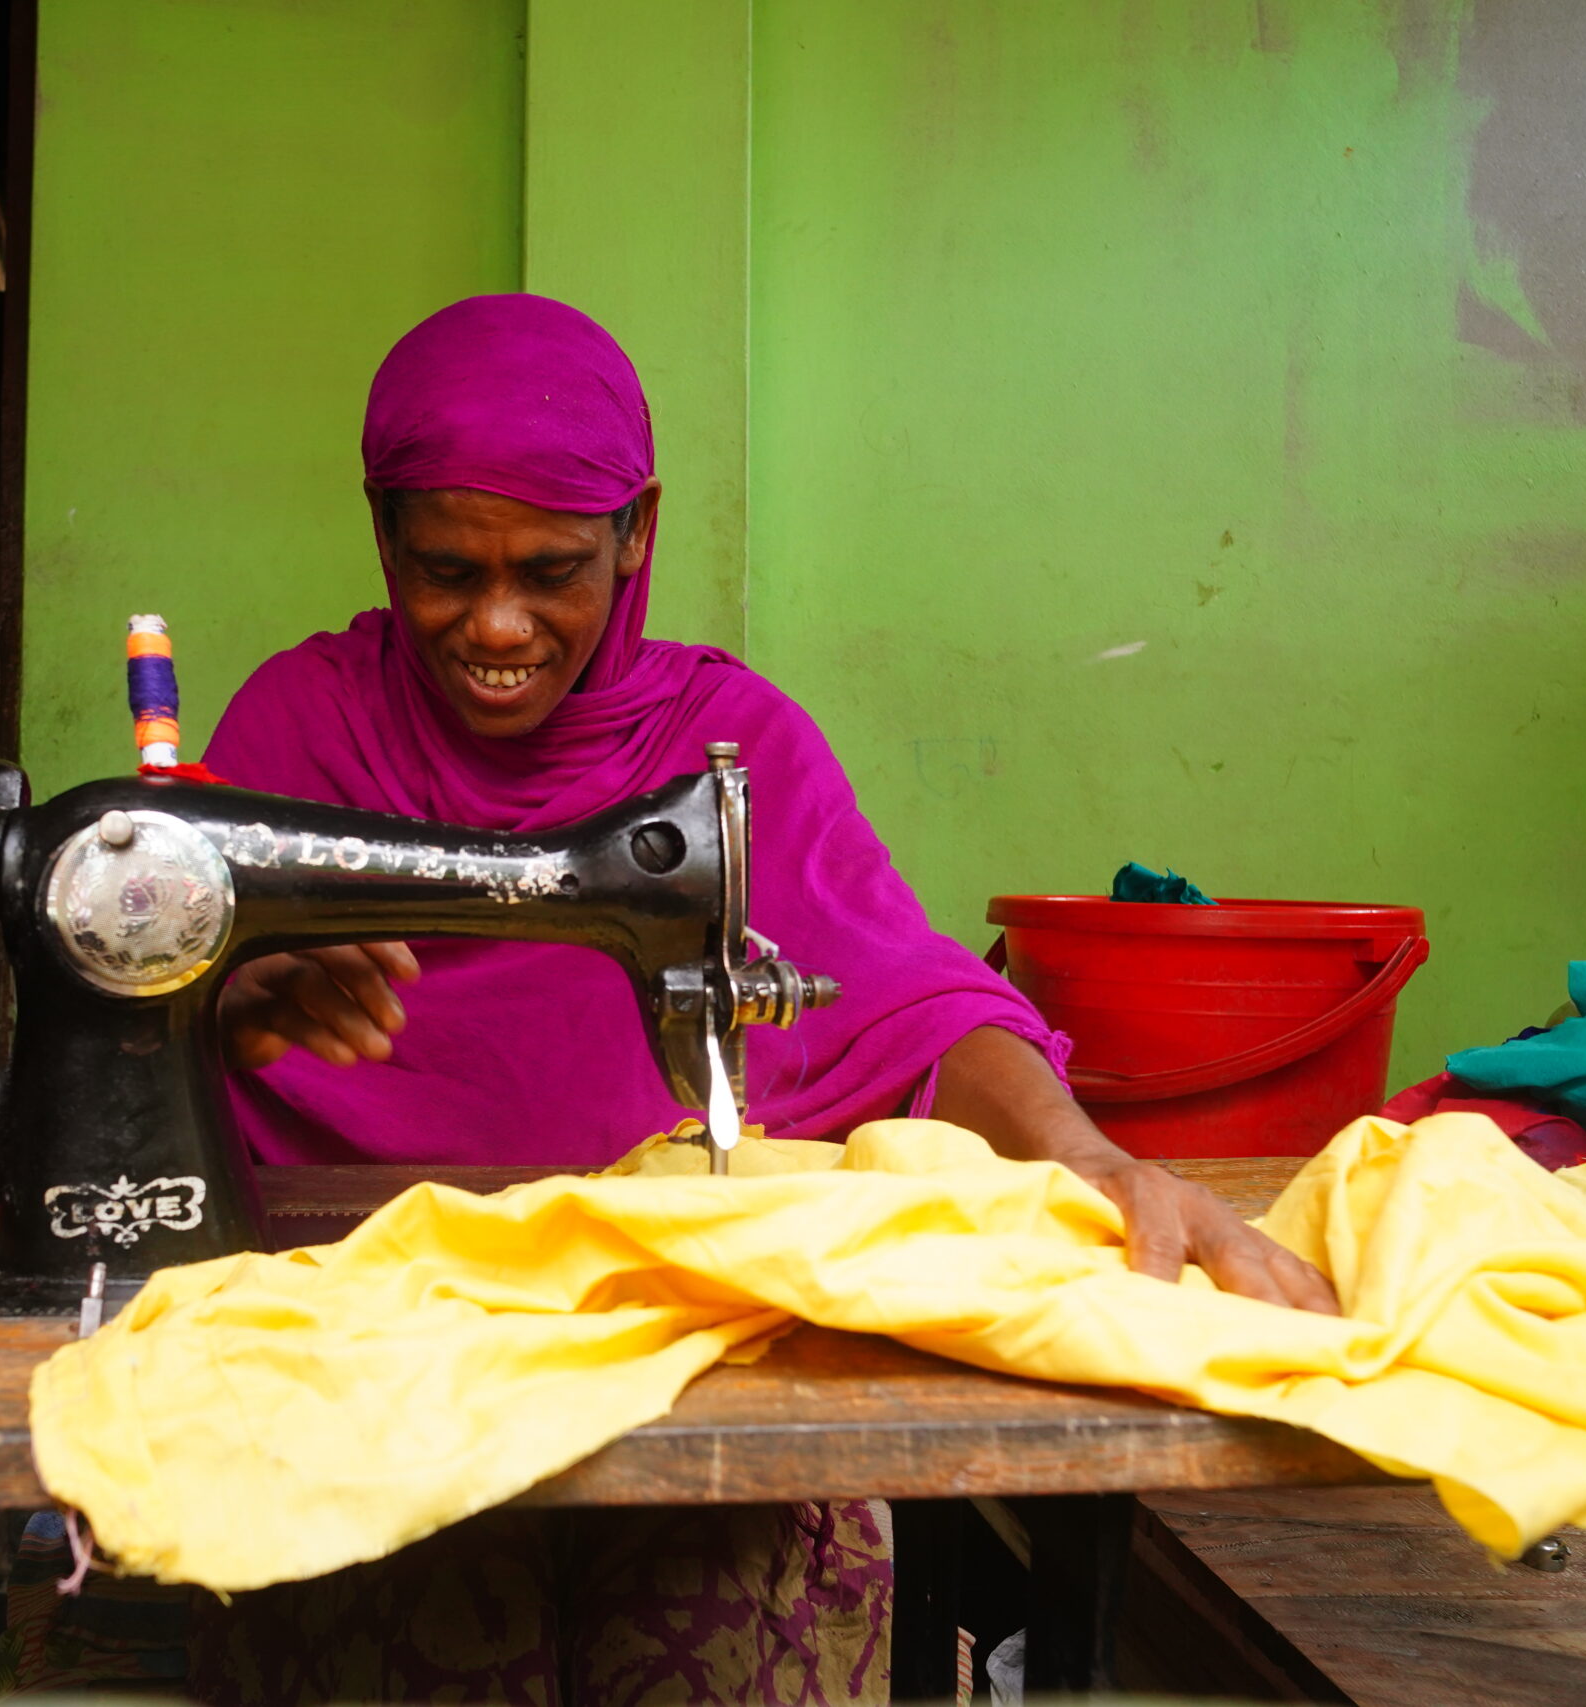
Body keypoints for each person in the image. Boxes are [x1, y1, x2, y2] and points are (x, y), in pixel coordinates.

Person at [115, 295, 1329, 1704]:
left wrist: (1092, 1160)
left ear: (639, 534)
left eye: (554, 569)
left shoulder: (731, 749)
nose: (495, 624)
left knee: (721, 1609)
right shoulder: (300, 726)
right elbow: (152, 1006)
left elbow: (916, 1005)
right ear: (383, 535)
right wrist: (213, 1008)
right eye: (445, 569)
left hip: (688, 1356)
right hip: (366, 1354)